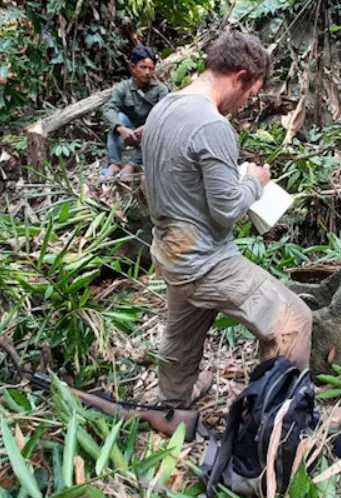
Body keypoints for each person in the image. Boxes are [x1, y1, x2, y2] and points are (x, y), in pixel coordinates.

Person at [141, 32, 312, 408]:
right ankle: (275, 424)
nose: (247, 103)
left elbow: (173, 178)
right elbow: (228, 210)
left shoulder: (164, 107)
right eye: (251, 93)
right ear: (239, 76)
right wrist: (255, 181)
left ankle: (171, 407)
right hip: (206, 262)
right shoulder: (213, 127)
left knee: (182, 337)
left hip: (172, 254)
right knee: (293, 321)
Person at [101, 45, 169, 181]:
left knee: (160, 131)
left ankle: (133, 164)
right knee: (117, 119)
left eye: (151, 68)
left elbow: (165, 114)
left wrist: (147, 128)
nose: (147, 72)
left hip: (149, 131)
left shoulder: (160, 90)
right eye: (143, 67)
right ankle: (115, 163)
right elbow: (109, 108)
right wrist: (121, 128)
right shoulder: (123, 88)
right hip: (130, 130)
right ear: (133, 68)